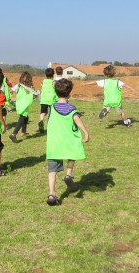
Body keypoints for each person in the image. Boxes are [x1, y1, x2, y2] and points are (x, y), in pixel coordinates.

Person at [46, 78, 89, 206]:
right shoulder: (72, 108)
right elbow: (77, 120)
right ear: (69, 93)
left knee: (52, 170)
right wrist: (86, 132)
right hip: (68, 142)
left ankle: (52, 194)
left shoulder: (52, 107)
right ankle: (68, 174)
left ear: (55, 91)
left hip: (54, 144)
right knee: (73, 153)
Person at [9, 71, 39, 143]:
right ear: (29, 80)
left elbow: (11, 91)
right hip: (24, 106)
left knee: (26, 117)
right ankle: (13, 134)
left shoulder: (18, 86)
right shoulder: (30, 88)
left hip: (19, 105)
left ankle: (24, 132)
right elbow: (34, 96)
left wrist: (10, 99)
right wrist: (37, 93)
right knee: (22, 119)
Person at [38, 67, 57, 133]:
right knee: (51, 113)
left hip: (43, 99)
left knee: (43, 112)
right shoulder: (54, 82)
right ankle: (50, 126)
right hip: (52, 100)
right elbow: (56, 90)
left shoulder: (43, 81)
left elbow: (42, 88)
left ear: (46, 75)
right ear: (53, 75)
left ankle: (41, 121)